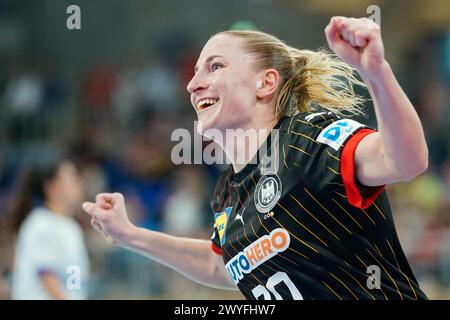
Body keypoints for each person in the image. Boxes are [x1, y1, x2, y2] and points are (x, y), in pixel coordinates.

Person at [82, 17, 429, 299]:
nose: (192, 85)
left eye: (214, 67)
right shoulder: (226, 191)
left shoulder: (305, 140)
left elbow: (406, 161)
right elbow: (221, 266)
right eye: (195, 72)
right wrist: (129, 235)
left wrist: (376, 73)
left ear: (265, 84)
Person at [9, 159, 89, 299]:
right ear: (52, 188)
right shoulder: (40, 223)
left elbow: (73, 274)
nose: (78, 184)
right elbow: (47, 276)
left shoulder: (72, 228)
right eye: (71, 179)